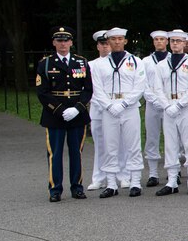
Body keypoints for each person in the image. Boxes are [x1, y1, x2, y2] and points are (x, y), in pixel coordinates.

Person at [36, 26, 93, 201]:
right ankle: (55, 189)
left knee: (77, 152)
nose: (63, 44)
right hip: (54, 115)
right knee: (55, 153)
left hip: (77, 114)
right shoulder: (45, 63)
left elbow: (88, 89)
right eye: (59, 40)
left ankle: (77, 187)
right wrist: (60, 110)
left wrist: (77, 108)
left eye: (66, 40)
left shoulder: (81, 62)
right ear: (54, 42)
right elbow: (42, 92)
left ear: (71, 42)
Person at [90, 28, 147, 198]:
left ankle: (135, 182)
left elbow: (139, 86)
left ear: (125, 41)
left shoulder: (136, 61)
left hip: (129, 108)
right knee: (110, 146)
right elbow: (97, 88)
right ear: (108, 41)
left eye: (120, 38)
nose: (116, 42)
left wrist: (124, 103)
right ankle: (111, 184)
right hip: (109, 108)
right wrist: (108, 105)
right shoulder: (100, 64)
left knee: (133, 145)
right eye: (113, 39)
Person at [151, 30, 188, 195]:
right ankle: (172, 181)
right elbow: (157, 88)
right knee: (170, 145)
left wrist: (180, 105)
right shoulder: (161, 65)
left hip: (185, 107)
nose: (175, 44)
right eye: (172, 41)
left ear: (184, 43)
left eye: (178, 41)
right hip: (168, 107)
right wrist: (166, 106)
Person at [142, 30, 170, 187]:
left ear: (167, 42)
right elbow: (143, 83)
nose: (159, 42)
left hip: (169, 104)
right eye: (156, 39)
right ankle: (153, 173)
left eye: (162, 39)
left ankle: (174, 172)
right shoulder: (145, 61)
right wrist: (154, 99)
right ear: (153, 42)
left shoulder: (174, 59)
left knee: (173, 138)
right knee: (152, 138)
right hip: (152, 105)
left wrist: (165, 102)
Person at [87, 30, 113, 191]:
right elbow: (91, 89)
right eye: (103, 44)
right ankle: (99, 177)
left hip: (115, 109)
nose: (106, 47)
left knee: (119, 144)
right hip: (97, 108)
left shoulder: (119, 62)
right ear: (98, 46)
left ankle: (120, 175)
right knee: (100, 145)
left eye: (107, 44)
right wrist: (103, 103)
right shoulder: (91, 64)